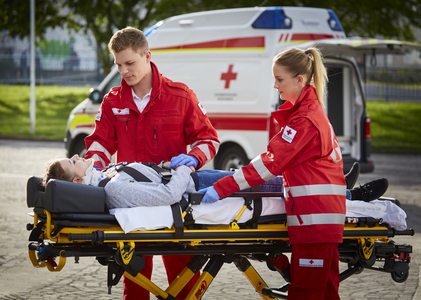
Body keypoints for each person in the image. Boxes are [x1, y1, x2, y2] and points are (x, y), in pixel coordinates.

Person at [197, 47, 349, 300]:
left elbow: (268, 164)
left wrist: (221, 188)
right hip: (322, 220)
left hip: (314, 223)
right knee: (326, 292)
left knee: (306, 293)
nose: (275, 86)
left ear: (299, 80)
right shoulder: (311, 114)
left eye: (279, 79)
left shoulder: (305, 121)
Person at [82, 26, 220, 300]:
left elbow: (208, 139)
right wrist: (90, 173)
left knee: (184, 283)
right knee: (135, 284)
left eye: (130, 63)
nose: (124, 71)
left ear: (147, 55)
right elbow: (100, 145)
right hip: (131, 203)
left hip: (174, 203)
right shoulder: (113, 102)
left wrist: (193, 158)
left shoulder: (180, 96)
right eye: (118, 64)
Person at [43, 155, 388, 210]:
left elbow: (152, 179)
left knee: (270, 178)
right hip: (198, 189)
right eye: (72, 160)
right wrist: (183, 168)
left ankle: (337, 184)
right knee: (271, 185)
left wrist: (171, 165)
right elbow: (165, 195)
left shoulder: (107, 177)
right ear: (77, 178)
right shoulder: (112, 188)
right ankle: (350, 195)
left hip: (196, 179)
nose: (78, 155)